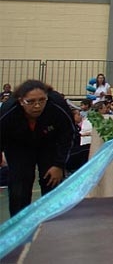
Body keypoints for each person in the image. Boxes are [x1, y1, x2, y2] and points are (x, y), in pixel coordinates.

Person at [0, 80, 75, 216]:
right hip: (18, 146)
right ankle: (20, 222)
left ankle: (53, 219)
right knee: (19, 186)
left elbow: (68, 134)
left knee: (52, 181)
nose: (37, 106)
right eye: (31, 102)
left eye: (42, 100)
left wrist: (59, 165)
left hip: (49, 144)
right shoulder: (8, 110)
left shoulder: (57, 105)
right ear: (21, 101)